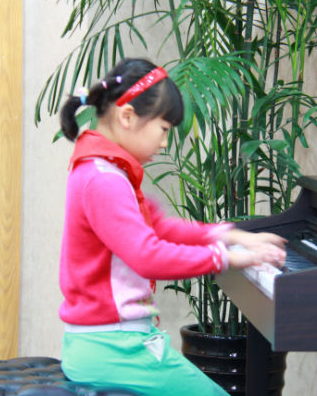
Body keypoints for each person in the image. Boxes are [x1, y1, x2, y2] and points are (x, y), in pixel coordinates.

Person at [58, 58, 286, 395]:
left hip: (109, 344)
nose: (165, 143)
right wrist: (227, 258)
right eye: (164, 129)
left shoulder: (105, 171)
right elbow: (147, 256)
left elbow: (161, 228)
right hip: (114, 350)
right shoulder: (104, 180)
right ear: (127, 117)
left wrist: (232, 235)